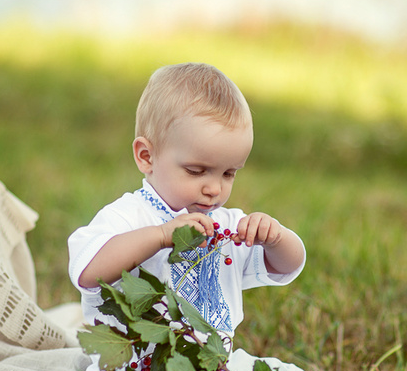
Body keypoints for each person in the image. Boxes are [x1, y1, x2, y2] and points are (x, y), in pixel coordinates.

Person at [67, 62, 307, 338]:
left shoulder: (226, 227)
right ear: (147, 157)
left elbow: (287, 266)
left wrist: (275, 238)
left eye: (229, 173)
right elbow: (87, 272)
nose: (214, 188)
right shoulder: (130, 216)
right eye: (196, 171)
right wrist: (159, 236)